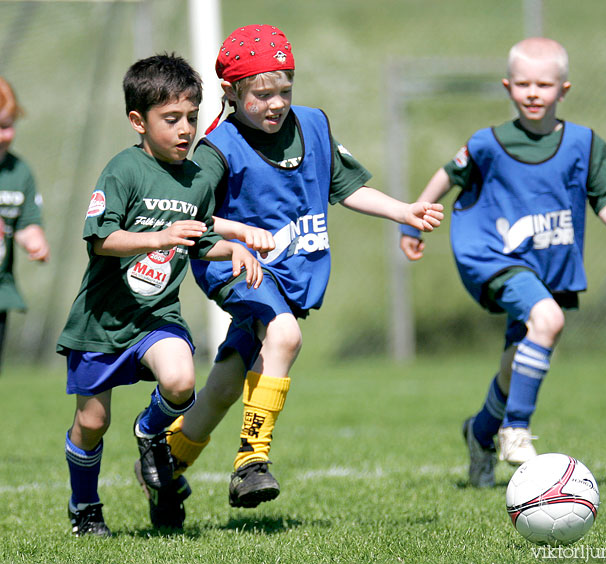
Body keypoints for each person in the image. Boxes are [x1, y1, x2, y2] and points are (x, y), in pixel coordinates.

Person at [154, 24, 443, 526]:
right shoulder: (216, 148)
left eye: (284, 90)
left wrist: (405, 211)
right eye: (261, 94)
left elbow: (345, 186)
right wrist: (240, 232)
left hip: (291, 270)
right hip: (232, 264)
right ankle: (251, 462)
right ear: (231, 92)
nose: (276, 104)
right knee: (285, 335)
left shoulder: (313, 124)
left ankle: (164, 462)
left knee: (224, 384)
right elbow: (189, 215)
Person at [400, 38, 606, 488]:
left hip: (549, 264)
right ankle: (516, 429)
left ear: (563, 90)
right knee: (547, 321)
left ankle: (481, 431)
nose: (533, 92)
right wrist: (413, 220)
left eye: (544, 84)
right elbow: (448, 175)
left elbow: (604, 190)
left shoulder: (583, 143)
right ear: (508, 87)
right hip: (495, 255)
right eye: (524, 83)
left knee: (519, 356)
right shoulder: (488, 142)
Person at [56, 53, 264, 537]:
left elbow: (199, 238)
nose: (185, 130)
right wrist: (156, 237)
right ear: (139, 121)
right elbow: (99, 239)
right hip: (101, 321)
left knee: (180, 380)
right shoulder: (123, 170)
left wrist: (234, 249)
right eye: (171, 120)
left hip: (156, 315)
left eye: (191, 118)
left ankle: (151, 432)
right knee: (91, 423)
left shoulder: (195, 180)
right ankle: (84, 508)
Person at [0, 77, 50, 372]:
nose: (5, 135)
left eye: (7, 125)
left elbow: (26, 221)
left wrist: (35, 239)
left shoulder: (19, 172)